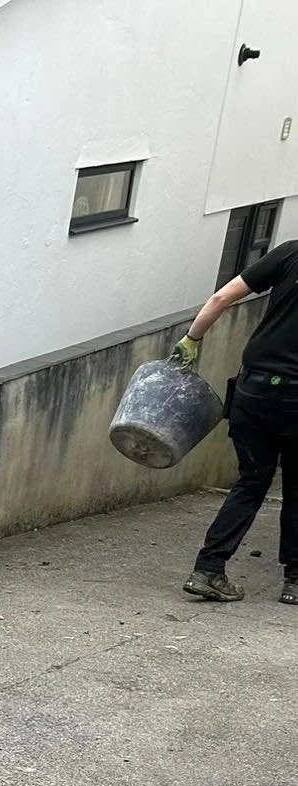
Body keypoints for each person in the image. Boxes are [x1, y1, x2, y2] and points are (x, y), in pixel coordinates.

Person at [178, 238, 298, 602]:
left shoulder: (291, 252)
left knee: (251, 483)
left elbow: (220, 298)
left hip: (254, 388)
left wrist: (191, 339)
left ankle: (209, 569)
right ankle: (294, 582)